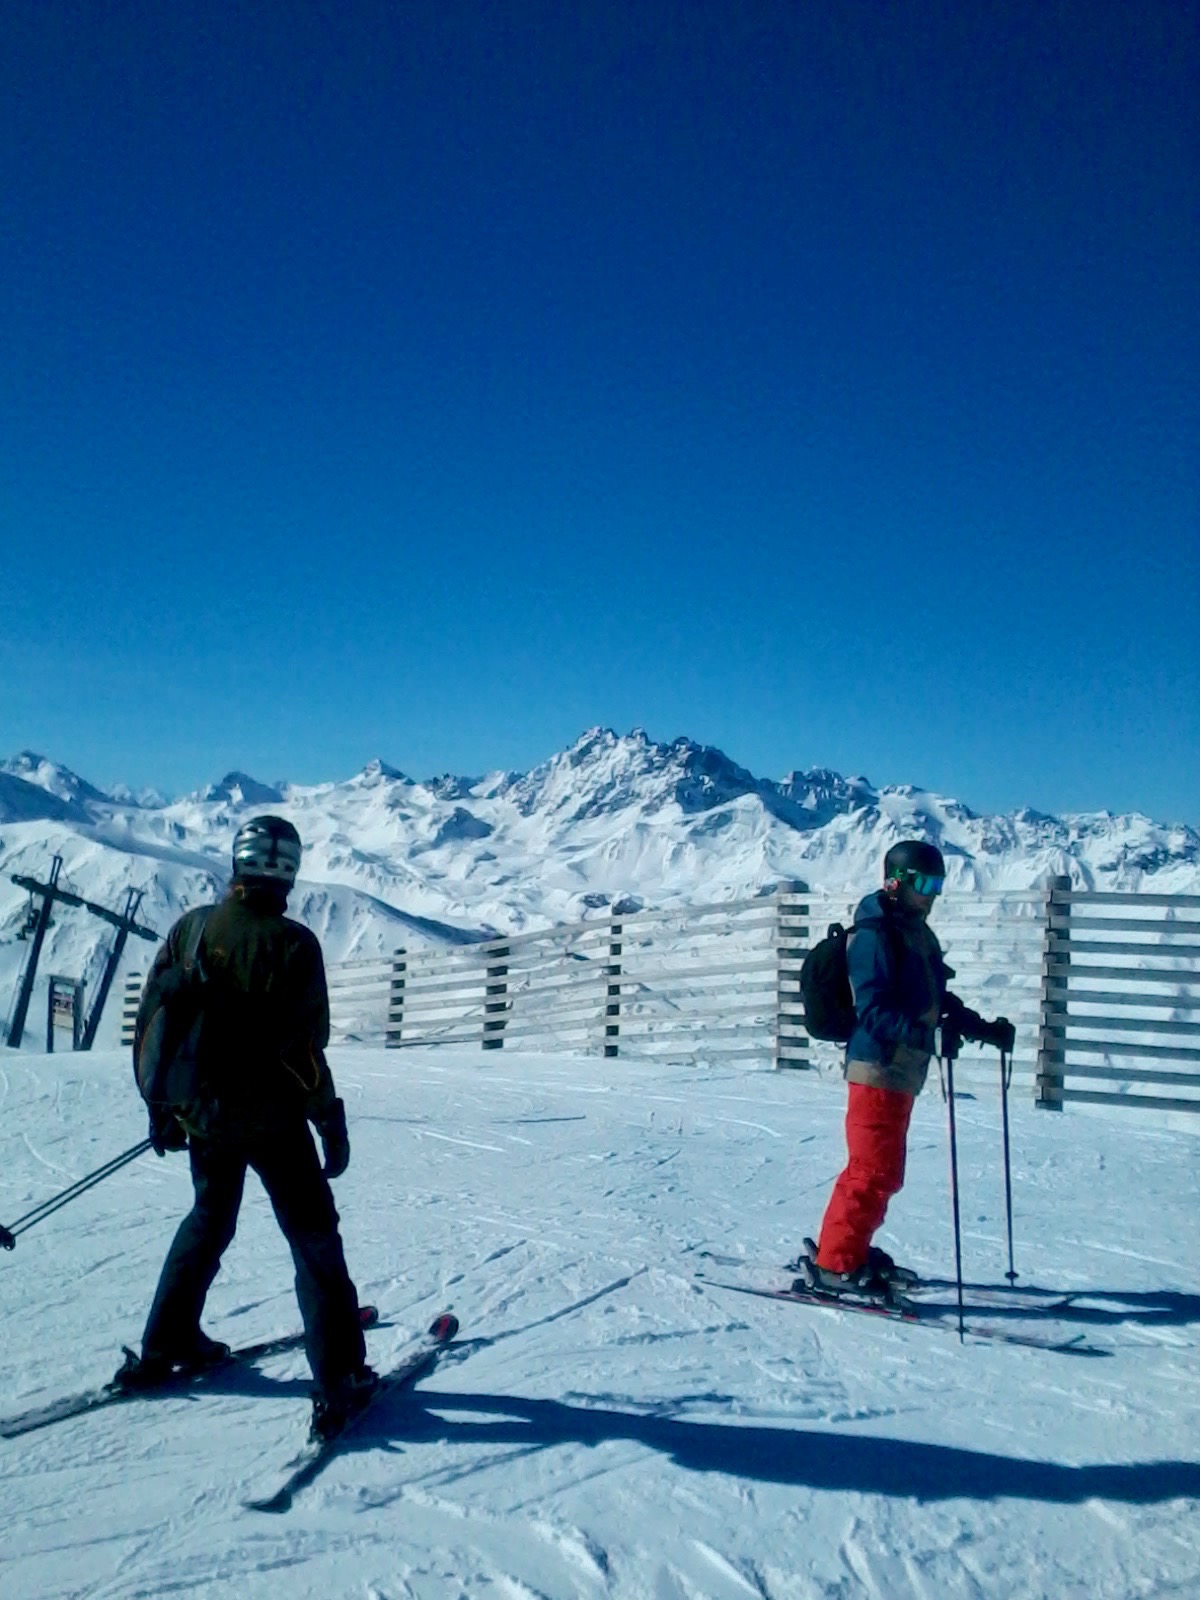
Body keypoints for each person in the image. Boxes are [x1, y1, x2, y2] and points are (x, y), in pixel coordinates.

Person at [122, 815, 375, 1439]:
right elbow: (305, 1051)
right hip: (275, 1124)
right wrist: (329, 1120)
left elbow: (155, 1019)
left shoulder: (191, 928)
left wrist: (162, 1107)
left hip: (202, 1118)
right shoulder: (293, 944)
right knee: (313, 1237)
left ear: (236, 861)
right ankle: (338, 1376)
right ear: (288, 870)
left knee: (209, 1220)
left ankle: (166, 1340)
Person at [797, 840, 1015, 1298]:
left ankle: (850, 1249)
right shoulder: (875, 935)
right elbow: (871, 1010)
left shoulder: (915, 931)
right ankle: (835, 1264)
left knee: (885, 1171)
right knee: (870, 1171)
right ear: (896, 882)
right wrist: (929, 1037)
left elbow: (932, 1000)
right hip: (877, 1066)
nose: (931, 893)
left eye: (937, 884)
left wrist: (982, 1029)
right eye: (923, 884)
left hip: (901, 1070)